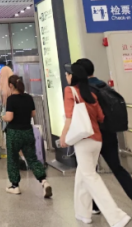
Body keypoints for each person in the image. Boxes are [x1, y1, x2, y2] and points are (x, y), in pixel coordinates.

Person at [60, 63, 130, 226]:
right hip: (97, 139)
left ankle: (117, 217)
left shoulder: (70, 91)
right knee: (82, 175)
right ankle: (83, 213)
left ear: (73, 76)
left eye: (67, 74)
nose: (66, 76)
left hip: (83, 141)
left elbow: (69, 117)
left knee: (90, 177)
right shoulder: (91, 94)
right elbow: (101, 117)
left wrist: (63, 136)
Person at [76, 58, 132, 212]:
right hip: (109, 133)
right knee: (117, 167)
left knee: (89, 172)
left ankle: (95, 206)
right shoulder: (103, 85)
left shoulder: (84, 89)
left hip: (93, 134)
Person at [2, 75, 52, 198]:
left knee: (13, 159)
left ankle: (15, 186)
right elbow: (33, 113)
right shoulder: (28, 97)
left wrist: (2, 117)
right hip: (28, 131)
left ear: (11, 85)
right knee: (32, 158)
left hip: (14, 133)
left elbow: (9, 117)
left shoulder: (11, 99)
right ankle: (44, 181)